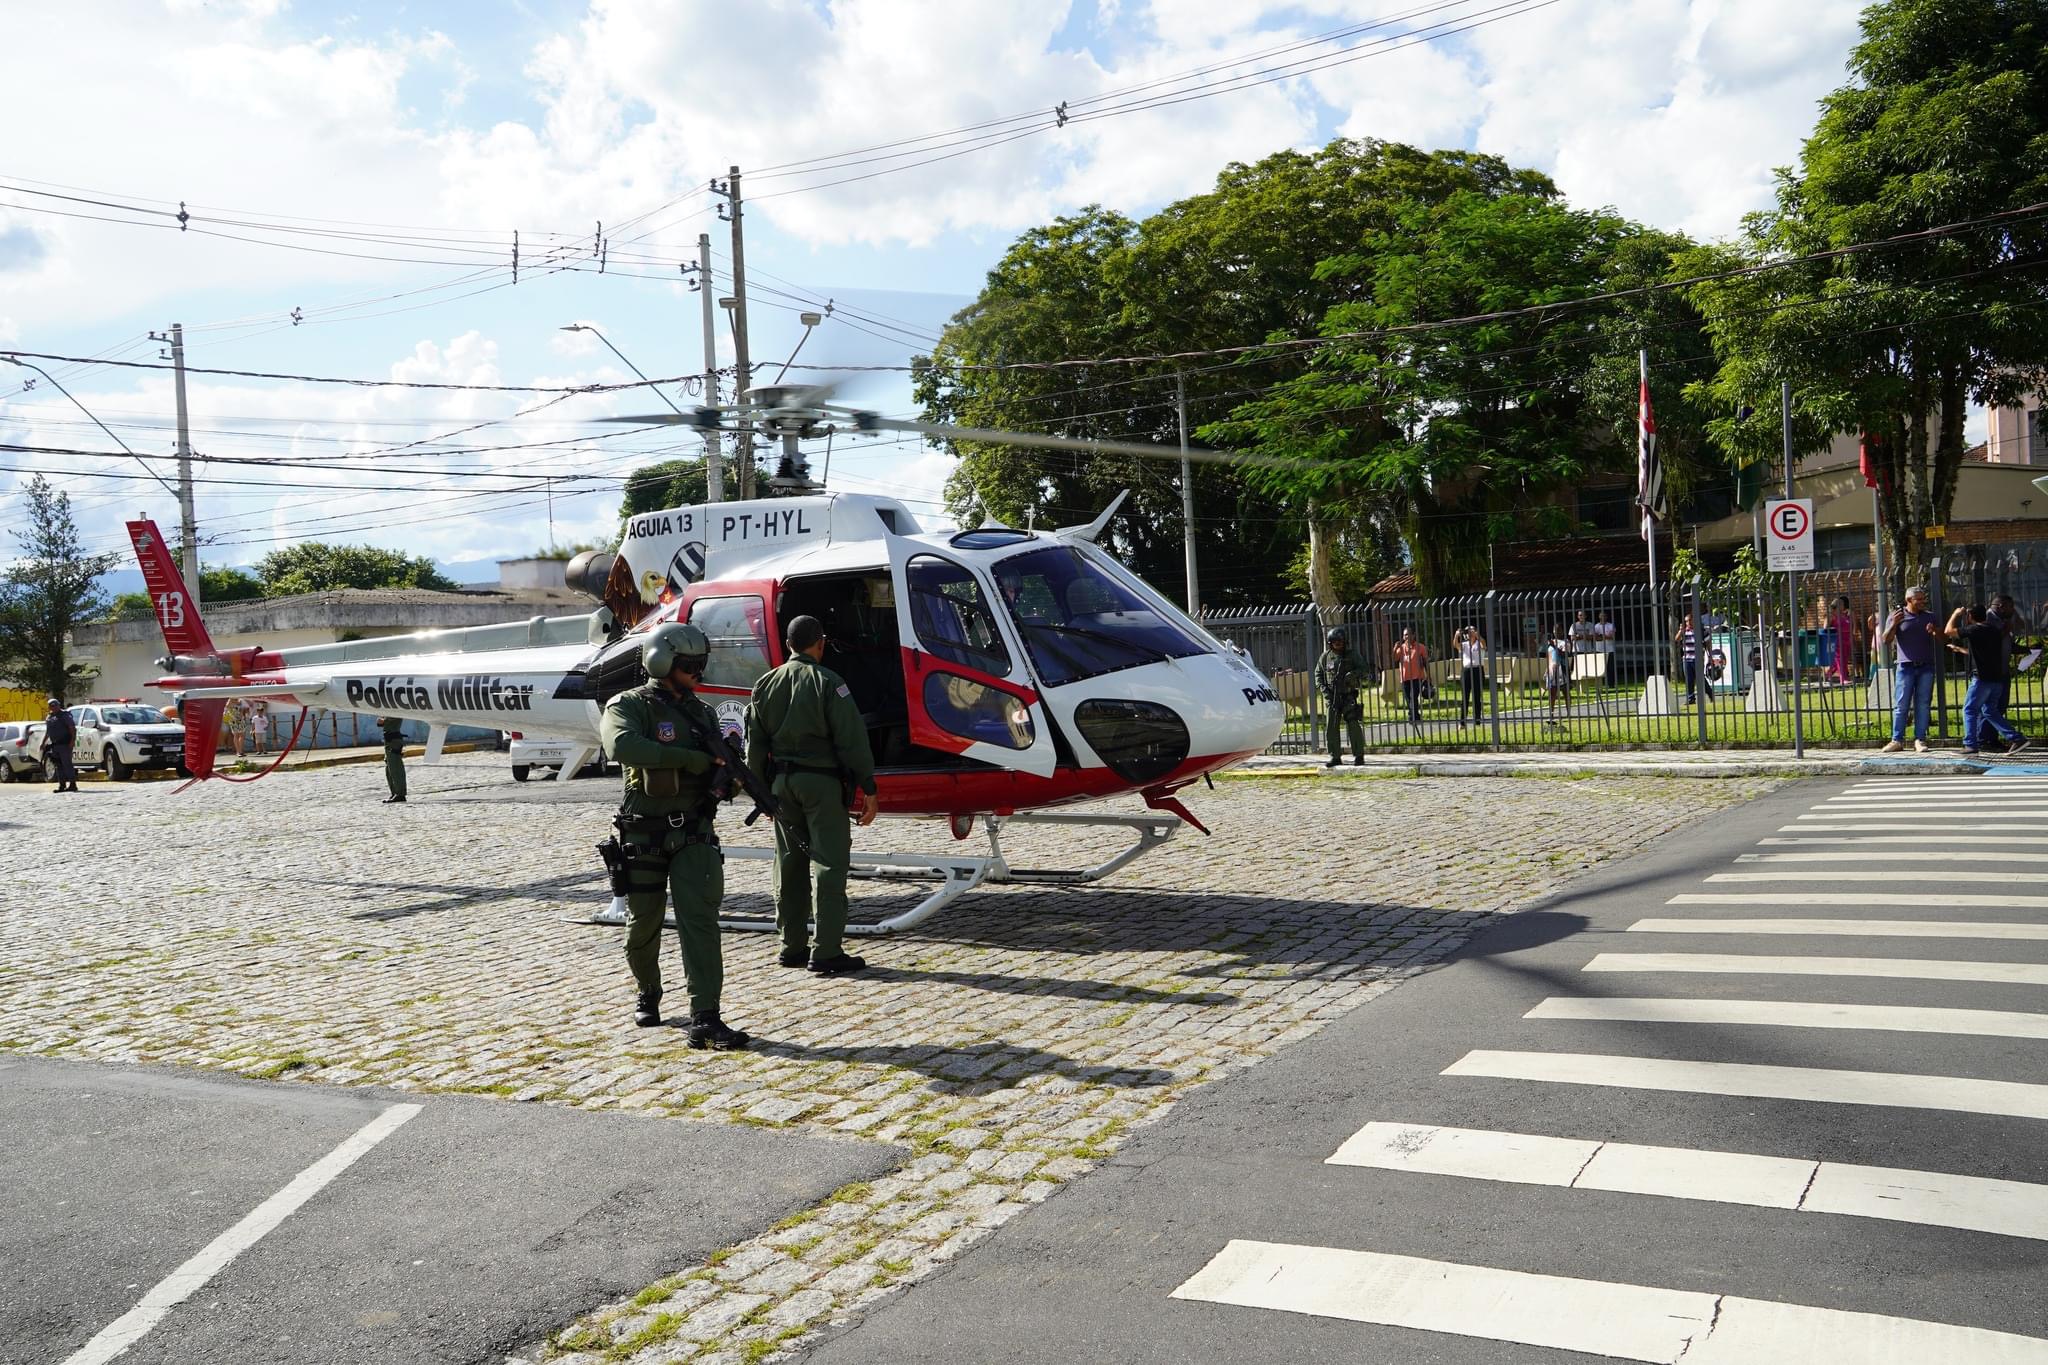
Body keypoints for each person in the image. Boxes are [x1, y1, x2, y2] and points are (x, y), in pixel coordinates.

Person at [599, 622, 749, 1047]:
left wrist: (728, 779)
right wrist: (691, 761)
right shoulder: (628, 705)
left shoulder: (702, 713)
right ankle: (648, 991)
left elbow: (720, 765)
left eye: (701, 664)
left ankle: (706, 1016)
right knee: (641, 926)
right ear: (663, 662)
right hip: (643, 836)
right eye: (690, 665)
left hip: (694, 833)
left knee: (700, 923)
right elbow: (622, 747)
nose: (698, 672)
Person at [746, 614, 880, 977]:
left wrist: (762, 795)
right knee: (828, 864)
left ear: (789, 644)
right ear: (819, 643)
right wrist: (868, 787)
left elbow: (754, 748)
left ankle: (791, 946)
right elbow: (851, 740)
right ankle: (826, 950)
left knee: (788, 864)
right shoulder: (828, 683)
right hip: (820, 785)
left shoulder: (765, 684)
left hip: (780, 787)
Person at [1949, 601, 2030, 756]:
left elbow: (1948, 631)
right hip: (1997, 678)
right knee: (1990, 710)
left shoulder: (1974, 629)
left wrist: (1956, 614)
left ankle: (1970, 745)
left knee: (1969, 710)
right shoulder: (1994, 630)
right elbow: (1981, 652)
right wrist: (1960, 649)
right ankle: (2017, 738)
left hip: (1981, 678)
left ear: (1970, 616)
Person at [1880, 584, 1941, 753]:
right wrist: (1894, 624)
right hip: (1905, 666)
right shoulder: (1897, 616)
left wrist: (1934, 630)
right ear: (1909, 600)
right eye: (1919, 599)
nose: (1922, 602)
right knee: (1901, 704)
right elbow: (1885, 640)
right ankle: (1896, 740)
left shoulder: (1930, 616)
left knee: (1923, 704)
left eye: (1923, 599)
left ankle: (1920, 739)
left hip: (1926, 666)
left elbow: (1942, 637)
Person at [1313, 628, 1366, 766]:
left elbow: (1364, 669)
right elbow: (1318, 675)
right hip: (1332, 697)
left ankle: (1359, 755)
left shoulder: (1352, 655)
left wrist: (1352, 675)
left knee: (1353, 725)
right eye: (1335, 642)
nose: (1338, 644)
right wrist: (1325, 691)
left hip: (1348, 696)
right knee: (1331, 727)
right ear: (1330, 643)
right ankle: (1335, 756)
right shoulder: (1325, 657)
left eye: (1340, 641)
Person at [1394, 628, 1429, 728]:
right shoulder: (1401, 648)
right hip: (1405, 678)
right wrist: (1395, 648)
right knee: (1408, 699)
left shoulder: (1420, 647)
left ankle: (1412, 717)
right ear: (1403, 637)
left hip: (1417, 677)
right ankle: (1415, 716)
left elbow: (1426, 662)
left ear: (1414, 635)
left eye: (1409, 634)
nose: (1407, 637)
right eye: (1405, 635)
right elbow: (1395, 658)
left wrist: (1428, 676)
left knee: (1413, 697)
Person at [42, 698, 77, 793]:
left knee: (67, 764)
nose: (54, 707)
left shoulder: (64, 715)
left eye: (55, 705)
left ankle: (73, 784)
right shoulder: (49, 717)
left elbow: (72, 728)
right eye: (51, 706)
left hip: (65, 744)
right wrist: (43, 742)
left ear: (58, 705)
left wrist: (72, 741)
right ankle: (62, 785)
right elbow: (48, 732)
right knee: (58, 765)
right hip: (55, 745)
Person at [1457, 626, 1488, 727]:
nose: (1469, 633)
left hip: (1477, 670)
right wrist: (1456, 636)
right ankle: (1462, 722)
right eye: (1467, 631)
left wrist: (1477, 635)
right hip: (1466, 671)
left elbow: (1484, 644)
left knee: (1476, 697)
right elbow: (1455, 645)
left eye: (1471, 631)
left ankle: (1477, 721)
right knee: (1465, 697)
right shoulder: (1464, 644)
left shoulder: (1479, 643)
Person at [1543, 625, 1573, 727]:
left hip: (1563, 669)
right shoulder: (1550, 642)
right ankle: (1551, 715)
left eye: (1559, 630)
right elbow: (1549, 656)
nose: (1557, 632)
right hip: (1552, 669)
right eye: (1555, 630)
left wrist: (1554, 645)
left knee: (1565, 692)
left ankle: (1568, 713)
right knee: (1552, 692)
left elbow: (1565, 654)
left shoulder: (1566, 642)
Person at [1826, 595, 1857, 686]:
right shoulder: (1831, 616)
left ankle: (1828, 674)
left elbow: (1851, 626)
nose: (1844, 606)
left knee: (1839, 661)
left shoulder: (1845, 615)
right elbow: (1825, 628)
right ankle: (1843, 679)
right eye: (1842, 604)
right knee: (1840, 660)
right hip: (1837, 641)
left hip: (1847, 641)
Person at [1675, 612, 1701, 705]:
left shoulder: (1698, 630)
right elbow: (1677, 639)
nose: (1688, 623)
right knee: (1689, 680)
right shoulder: (1684, 631)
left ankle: (1706, 694)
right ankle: (1691, 698)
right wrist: (1680, 631)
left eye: (1689, 620)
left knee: (1700, 679)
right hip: (1687, 659)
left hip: (1697, 659)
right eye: (1686, 621)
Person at [380, 715, 407, 803]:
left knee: (395, 767)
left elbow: (385, 721)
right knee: (389, 767)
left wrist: (383, 720)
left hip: (393, 740)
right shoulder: (387, 712)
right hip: (389, 740)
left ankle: (400, 794)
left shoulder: (393, 711)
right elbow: (380, 723)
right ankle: (394, 793)